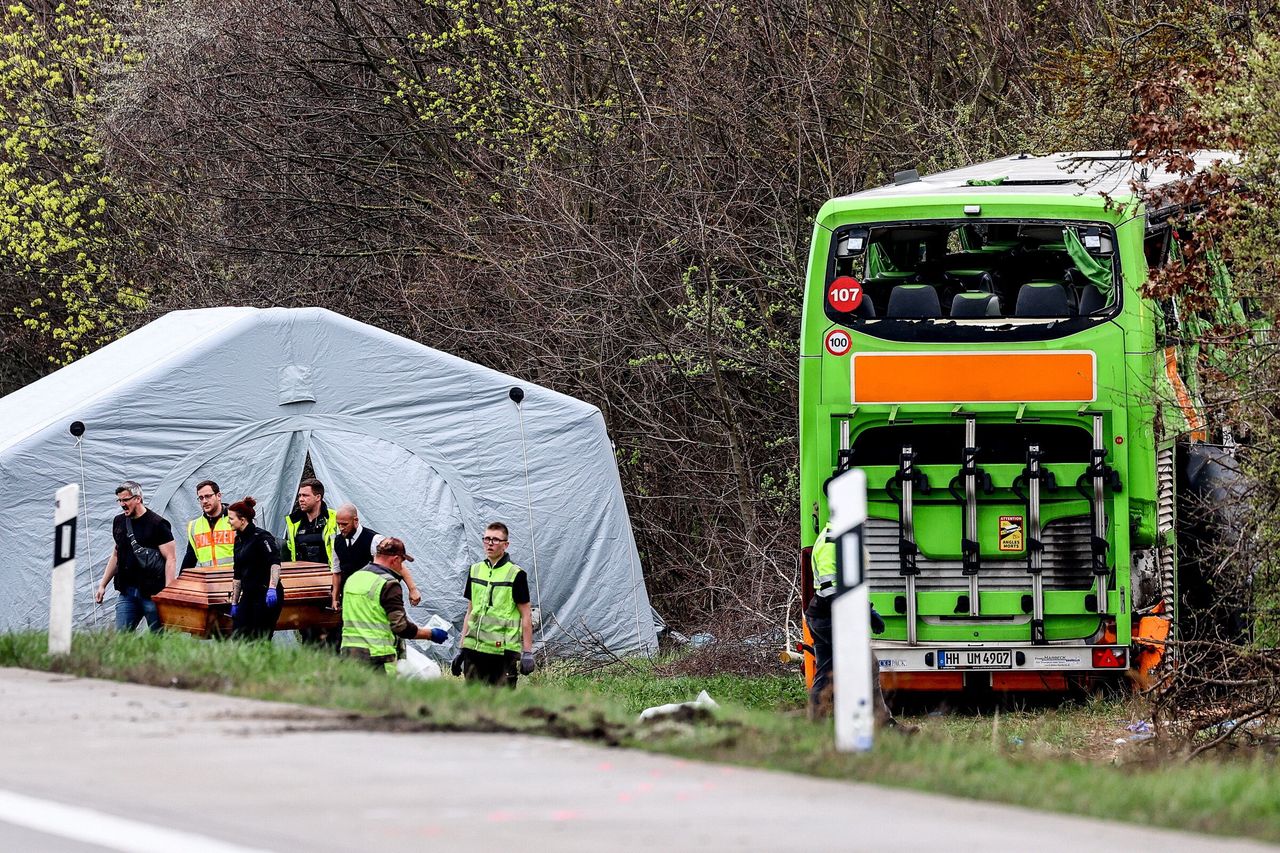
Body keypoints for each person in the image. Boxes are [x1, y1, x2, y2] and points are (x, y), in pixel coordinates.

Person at [806, 516, 908, 730]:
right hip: (830, 617)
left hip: (824, 616)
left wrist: (869, 610)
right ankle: (882, 724)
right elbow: (831, 590)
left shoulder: (843, 541)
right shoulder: (830, 544)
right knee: (867, 665)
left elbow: (850, 586)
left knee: (827, 671)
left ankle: (815, 726)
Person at [340, 537, 447, 673]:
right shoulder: (388, 583)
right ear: (395, 560)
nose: (401, 567)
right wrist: (430, 634)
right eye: (402, 562)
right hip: (377, 659)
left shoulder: (353, 578)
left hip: (349, 654)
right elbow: (401, 627)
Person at [455, 522, 535, 687]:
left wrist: (527, 652)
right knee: (474, 704)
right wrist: (462, 648)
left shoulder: (516, 575)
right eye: (487, 539)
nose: (490, 543)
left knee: (501, 706)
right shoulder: (475, 570)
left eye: (495, 540)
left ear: (506, 545)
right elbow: (470, 611)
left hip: (502, 654)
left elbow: (526, 615)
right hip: (474, 650)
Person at [95, 480, 176, 632]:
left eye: (125, 499)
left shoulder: (158, 524)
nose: (121, 504)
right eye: (119, 500)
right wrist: (102, 584)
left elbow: (170, 559)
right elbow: (116, 554)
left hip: (153, 594)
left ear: (138, 499)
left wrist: (168, 593)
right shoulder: (119, 521)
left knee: (159, 641)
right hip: (127, 594)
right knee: (122, 641)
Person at [333, 503, 421, 610]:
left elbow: (398, 565)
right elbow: (336, 572)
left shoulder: (374, 540)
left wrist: (413, 589)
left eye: (344, 524)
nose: (341, 528)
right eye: (339, 524)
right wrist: (335, 598)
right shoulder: (337, 541)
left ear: (355, 520)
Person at [283, 478, 339, 644]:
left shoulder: (334, 519)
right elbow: (290, 552)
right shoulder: (293, 522)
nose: (300, 499)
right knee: (308, 636)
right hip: (304, 587)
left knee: (333, 634)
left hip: (329, 584)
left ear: (318, 497)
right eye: (299, 495)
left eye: (305, 495)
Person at [226, 497, 285, 641]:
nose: (228, 522)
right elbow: (237, 573)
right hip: (249, 595)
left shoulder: (261, 537)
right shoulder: (238, 540)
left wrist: (272, 588)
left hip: (265, 593)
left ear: (243, 519)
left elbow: (275, 562)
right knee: (238, 636)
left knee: (260, 638)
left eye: (231, 518)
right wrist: (234, 602)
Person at [181, 480, 234, 574]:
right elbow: (190, 558)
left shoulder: (234, 520)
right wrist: (180, 582)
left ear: (219, 496)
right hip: (209, 582)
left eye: (208, 496)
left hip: (234, 580)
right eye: (201, 498)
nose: (204, 501)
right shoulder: (194, 526)